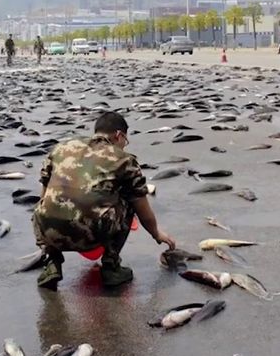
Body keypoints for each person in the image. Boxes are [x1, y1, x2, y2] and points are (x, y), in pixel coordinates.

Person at [33, 111, 177, 290]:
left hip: (48, 232)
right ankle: (111, 266)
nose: (124, 145)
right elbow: (141, 207)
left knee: (46, 206)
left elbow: (43, 195)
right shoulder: (124, 159)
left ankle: (52, 264)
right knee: (129, 199)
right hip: (91, 234)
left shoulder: (60, 148)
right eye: (125, 140)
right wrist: (156, 233)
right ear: (119, 135)